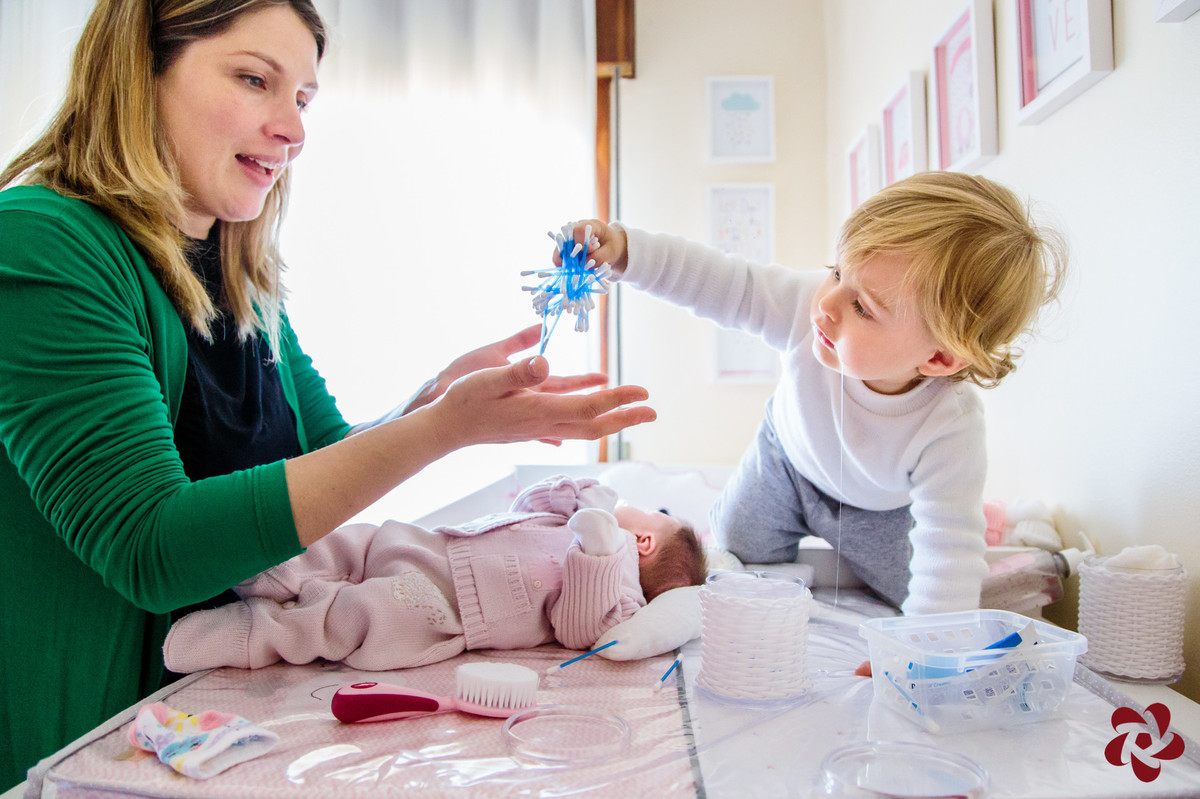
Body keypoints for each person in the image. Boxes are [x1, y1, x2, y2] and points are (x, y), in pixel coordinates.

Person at [0, 0, 654, 788]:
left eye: (303, 99)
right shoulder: (40, 243)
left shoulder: (241, 278)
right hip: (92, 745)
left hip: (208, 731)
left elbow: (318, 465)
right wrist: (440, 429)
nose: (294, 131)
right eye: (254, 80)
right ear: (140, 70)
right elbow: (151, 547)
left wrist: (435, 402)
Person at [562, 172, 1067, 618]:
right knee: (735, 540)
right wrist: (628, 252)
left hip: (880, 509)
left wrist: (920, 657)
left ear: (937, 359)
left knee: (916, 593)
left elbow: (948, 548)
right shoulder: (810, 308)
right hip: (785, 459)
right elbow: (725, 283)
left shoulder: (951, 426)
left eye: (863, 308)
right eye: (836, 272)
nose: (826, 305)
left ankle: (1002, 525)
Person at [161, 475, 707, 672]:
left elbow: (580, 628)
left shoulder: (622, 597)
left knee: (351, 618)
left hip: (444, 609)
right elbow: (527, 501)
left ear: (643, 541)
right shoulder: (571, 515)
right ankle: (266, 569)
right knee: (351, 543)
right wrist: (577, 494)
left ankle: (261, 633)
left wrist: (599, 550)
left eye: (652, 511)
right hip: (432, 547)